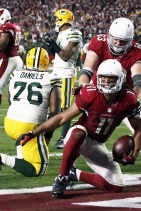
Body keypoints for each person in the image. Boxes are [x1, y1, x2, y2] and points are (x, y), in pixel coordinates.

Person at [17, 59, 141, 198]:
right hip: (79, 136)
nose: (107, 82)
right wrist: (33, 133)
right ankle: (62, 177)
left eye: (111, 79)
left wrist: (134, 155)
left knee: (116, 185)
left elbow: (139, 129)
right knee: (78, 133)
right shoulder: (90, 93)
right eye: (103, 78)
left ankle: (74, 173)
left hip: (97, 144)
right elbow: (62, 118)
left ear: (120, 79)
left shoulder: (129, 99)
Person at [77, 17, 141, 186]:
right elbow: (86, 70)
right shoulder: (98, 42)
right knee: (82, 131)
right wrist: (84, 88)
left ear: (130, 40)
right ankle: (67, 171)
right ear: (108, 35)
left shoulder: (138, 51)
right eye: (115, 39)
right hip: (97, 94)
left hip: (123, 96)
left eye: (123, 41)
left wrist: (132, 104)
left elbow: (139, 84)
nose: (118, 44)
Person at [0, 47, 61, 177]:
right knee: (38, 170)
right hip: (29, 126)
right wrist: (47, 136)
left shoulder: (16, 74)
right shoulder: (51, 78)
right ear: (46, 61)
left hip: (9, 123)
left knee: (26, 157)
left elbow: (10, 101)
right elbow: (55, 113)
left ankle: (21, 153)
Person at [43, 9, 83, 149]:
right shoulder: (61, 33)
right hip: (56, 71)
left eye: (56, 18)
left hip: (66, 73)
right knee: (52, 106)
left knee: (64, 107)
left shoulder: (74, 33)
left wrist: (53, 44)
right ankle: (48, 134)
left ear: (62, 19)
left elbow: (66, 56)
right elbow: (57, 55)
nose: (55, 21)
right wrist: (50, 45)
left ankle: (64, 137)